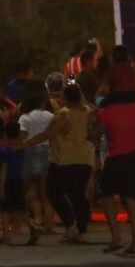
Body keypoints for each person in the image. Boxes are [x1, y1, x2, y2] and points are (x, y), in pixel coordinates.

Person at [90, 60, 135, 256]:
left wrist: (91, 127)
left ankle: (116, 238)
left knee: (107, 195)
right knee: (131, 198)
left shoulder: (108, 111)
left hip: (117, 157)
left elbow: (97, 134)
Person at [20, 83, 94, 242]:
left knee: (53, 192)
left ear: (65, 97)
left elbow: (47, 134)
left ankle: (70, 226)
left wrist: (25, 143)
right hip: (85, 159)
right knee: (79, 195)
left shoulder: (63, 115)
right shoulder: (88, 111)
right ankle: (81, 230)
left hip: (64, 160)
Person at [17, 84, 53, 243]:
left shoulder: (24, 117)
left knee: (29, 189)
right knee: (45, 192)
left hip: (30, 154)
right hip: (47, 152)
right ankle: (49, 223)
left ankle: (36, 219)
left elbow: (22, 137)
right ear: (42, 102)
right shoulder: (50, 116)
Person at [1, 121, 30, 245]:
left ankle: (6, 235)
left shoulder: (4, 151)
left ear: (5, 135)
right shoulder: (22, 150)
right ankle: (32, 227)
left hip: (7, 181)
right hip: (19, 180)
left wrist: (1, 188)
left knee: (4, 209)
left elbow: (3, 170)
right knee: (19, 208)